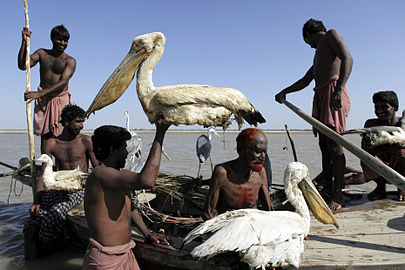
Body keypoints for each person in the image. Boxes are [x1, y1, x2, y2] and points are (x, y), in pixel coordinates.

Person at [275, 18, 352, 212]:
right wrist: (285, 91)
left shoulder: (331, 35)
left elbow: (348, 59)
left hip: (332, 92)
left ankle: (337, 195)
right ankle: (327, 189)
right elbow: (306, 80)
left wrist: (338, 90)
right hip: (320, 96)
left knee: (335, 146)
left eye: (307, 41)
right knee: (324, 146)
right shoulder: (318, 53)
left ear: (308, 34)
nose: (309, 46)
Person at [83, 122, 170, 270]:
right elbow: (147, 181)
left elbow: (129, 207)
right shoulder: (101, 174)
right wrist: (160, 134)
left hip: (124, 253)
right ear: (112, 150)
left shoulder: (117, 175)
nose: (126, 153)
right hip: (106, 259)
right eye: (123, 148)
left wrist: (147, 233)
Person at [24, 104, 98, 259]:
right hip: (58, 186)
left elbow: (97, 168)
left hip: (79, 188)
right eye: (77, 121)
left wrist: (87, 184)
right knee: (36, 214)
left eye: (82, 122)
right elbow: (45, 173)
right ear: (65, 122)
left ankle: (50, 245)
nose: (81, 125)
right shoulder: (51, 144)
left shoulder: (86, 141)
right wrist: (37, 200)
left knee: (54, 213)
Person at [18, 25, 76, 144]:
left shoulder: (70, 61)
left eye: (65, 41)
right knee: (45, 136)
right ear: (52, 38)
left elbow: (63, 82)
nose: (62, 43)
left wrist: (39, 94)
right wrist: (24, 42)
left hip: (60, 99)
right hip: (43, 99)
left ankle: (61, 162)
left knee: (62, 134)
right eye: (59, 39)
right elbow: (23, 65)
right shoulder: (42, 53)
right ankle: (46, 161)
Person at [204, 128, 273, 220]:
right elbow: (208, 212)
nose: (262, 157)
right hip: (227, 226)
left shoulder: (260, 173)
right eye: (258, 152)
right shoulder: (222, 173)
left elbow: (269, 210)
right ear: (240, 149)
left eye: (264, 152)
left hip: (252, 224)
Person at [361, 91, 405, 201]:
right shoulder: (370, 124)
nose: (379, 110)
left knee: (402, 153)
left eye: (384, 107)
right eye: (376, 107)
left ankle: (402, 186)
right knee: (366, 158)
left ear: (395, 108)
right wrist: (390, 147)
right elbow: (364, 148)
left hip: (399, 165)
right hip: (381, 165)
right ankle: (380, 187)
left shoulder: (402, 124)